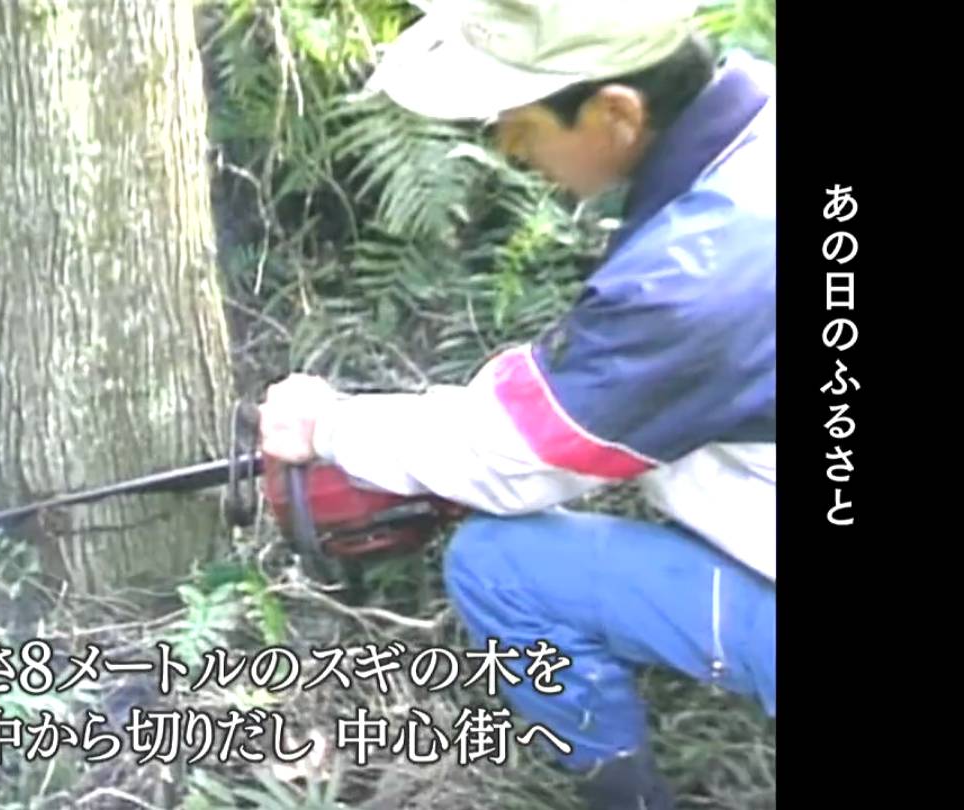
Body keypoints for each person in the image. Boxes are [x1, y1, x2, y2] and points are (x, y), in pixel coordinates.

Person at [255, 1, 776, 808]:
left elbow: (524, 451)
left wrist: (329, 426)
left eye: (521, 122)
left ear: (617, 114)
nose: (505, 146)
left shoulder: (700, 276)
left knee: (502, 568)